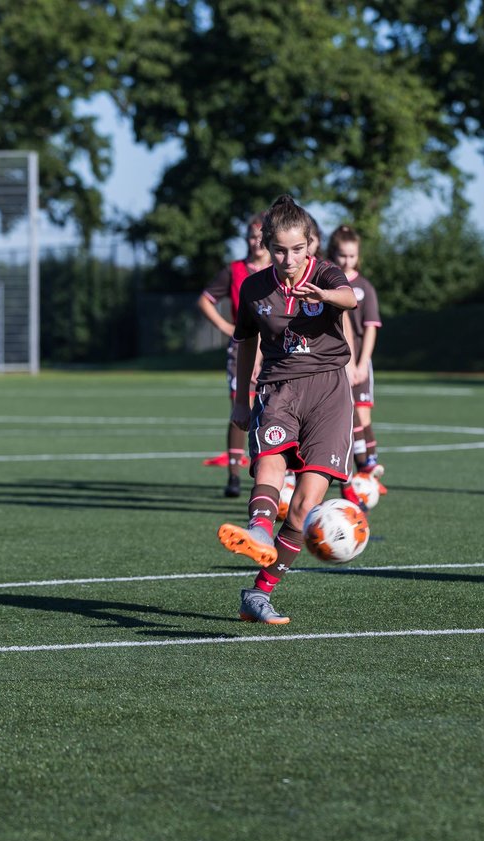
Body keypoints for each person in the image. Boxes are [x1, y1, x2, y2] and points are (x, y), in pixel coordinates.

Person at [216, 195, 358, 625]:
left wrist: (326, 294)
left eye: (298, 249)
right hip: (278, 387)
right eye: (280, 249)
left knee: (304, 507)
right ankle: (258, 530)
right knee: (270, 468)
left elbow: (350, 298)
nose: (290, 258)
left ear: (310, 245)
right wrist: (241, 400)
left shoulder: (326, 273)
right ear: (265, 244)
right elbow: (246, 344)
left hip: (329, 392)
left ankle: (258, 595)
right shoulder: (254, 287)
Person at [197, 213, 269, 497]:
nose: (256, 242)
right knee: (242, 408)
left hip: (274, 346)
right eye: (251, 236)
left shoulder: (279, 268)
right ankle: (235, 476)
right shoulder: (235, 270)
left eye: (261, 236)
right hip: (243, 347)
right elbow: (205, 300)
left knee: (273, 410)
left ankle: (271, 476)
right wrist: (226, 326)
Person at [329, 225, 385, 481]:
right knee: (342, 419)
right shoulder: (326, 282)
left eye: (352, 256)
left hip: (359, 361)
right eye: (342, 255)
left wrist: (362, 364)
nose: (347, 260)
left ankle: (369, 470)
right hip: (333, 362)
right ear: (333, 252)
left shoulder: (364, 287)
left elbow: (371, 329)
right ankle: (351, 473)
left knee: (362, 415)